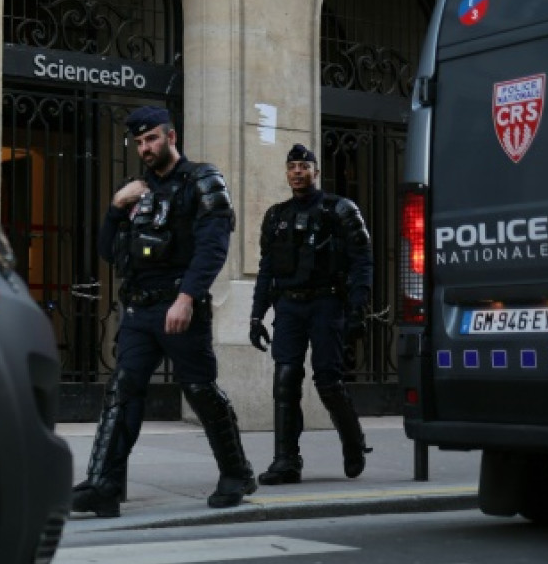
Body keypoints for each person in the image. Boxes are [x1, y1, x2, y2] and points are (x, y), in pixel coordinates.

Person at [72, 106, 255, 518]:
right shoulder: (134, 191)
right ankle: (105, 484)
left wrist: (187, 298)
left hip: (180, 306)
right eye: (139, 142)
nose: (145, 148)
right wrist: (116, 207)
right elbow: (107, 251)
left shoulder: (202, 181)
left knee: (200, 390)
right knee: (123, 390)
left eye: (151, 138)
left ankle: (237, 472)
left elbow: (212, 248)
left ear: (171, 137)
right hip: (139, 310)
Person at [248, 143, 373, 484]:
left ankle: (353, 443)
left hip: (326, 303)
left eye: (304, 166)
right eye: (292, 167)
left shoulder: (340, 210)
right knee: (285, 379)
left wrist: (357, 310)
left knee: (327, 381)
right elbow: (266, 269)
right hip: (288, 305)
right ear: (287, 173)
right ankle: (286, 460)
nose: (298, 172)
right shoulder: (276, 216)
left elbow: (362, 263)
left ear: (316, 172)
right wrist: (256, 316)